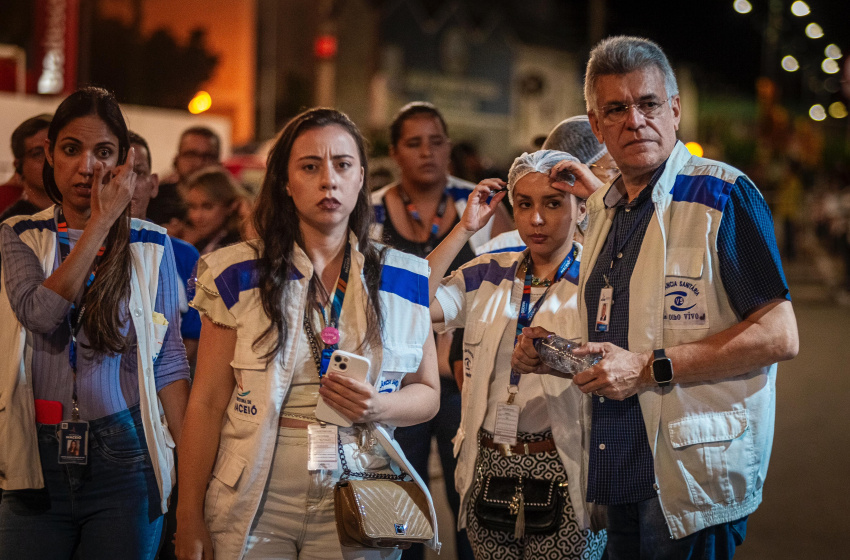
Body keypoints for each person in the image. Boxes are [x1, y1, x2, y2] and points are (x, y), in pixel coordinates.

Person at [512, 36, 799, 559]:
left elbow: (778, 335)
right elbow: (628, 334)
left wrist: (647, 368)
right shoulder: (603, 211)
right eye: (616, 109)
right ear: (596, 126)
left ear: (674, 109)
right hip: (615, 469)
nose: (634, 120)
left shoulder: (723, 195)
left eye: (647, 104)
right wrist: (565, 356)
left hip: (689, 483)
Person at [174, 108, 441, 560]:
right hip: (258, 486)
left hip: (359, 477)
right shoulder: (236, 272)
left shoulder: (404, 275)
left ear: (361, 178)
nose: (328, 180)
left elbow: (428, 392)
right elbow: (206, 402)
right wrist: (188, 513)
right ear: (285, 181)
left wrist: (379, 405)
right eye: (310, 166)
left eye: (342, 165)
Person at [0, 87, 190, 559]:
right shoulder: (20, 234)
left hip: (125, 459)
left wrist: (192, 474)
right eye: (71, 150)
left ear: (124, 161)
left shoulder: (152, 244)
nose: (88, 167)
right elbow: (41, 314)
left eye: (104, 152)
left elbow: (168, 360)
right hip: (33, 459)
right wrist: (100, 225)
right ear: (50, 154)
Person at [427, 150, 606, 559]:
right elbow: (410, 304)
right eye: (524, 204)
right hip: (487, 464)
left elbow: (620, 365)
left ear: (581, 209)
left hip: (565, 466)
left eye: (553, 203)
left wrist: (556, 356)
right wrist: (464, 229)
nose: (536, 219)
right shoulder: (487, 271)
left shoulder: (600, 280)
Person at [370, 102, 511, 560]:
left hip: (461, 381)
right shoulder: (370, 211)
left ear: (449, 146)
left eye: (436, 141)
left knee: (471, 504)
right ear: (394, 152)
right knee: (401, 506)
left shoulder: (483, 204)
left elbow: (510, 280)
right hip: (397, 381)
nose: (427, 152)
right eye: (414, 142)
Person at [474, 115, 620, 256]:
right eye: (614, 169)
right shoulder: (500, 253)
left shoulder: (615, 247)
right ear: (575, 172)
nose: (536, 219)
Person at [129, 131, 202, 368]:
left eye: (137, 172)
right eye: (114, 173)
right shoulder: (77, 251)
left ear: (153, 184)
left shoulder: (182, 255)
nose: (125, 183)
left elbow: (193, 335)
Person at [146, 126, 222, 232]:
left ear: (219, 164)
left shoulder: (231, 203)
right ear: (176, 160)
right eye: (191, 154)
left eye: (208, 156)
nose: (199, 163)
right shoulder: (155, 198)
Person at [181, 167, 248, 255]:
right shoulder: (199, 242)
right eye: (192, 207)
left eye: (207, 207)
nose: (197, 216)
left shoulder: (237, 245)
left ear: (231, 206)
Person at [0, 114, 54, 221]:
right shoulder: (14, 225)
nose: (50, 159)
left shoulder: (86, 214)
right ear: (19, 166)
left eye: (54, 150)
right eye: (38, 153)